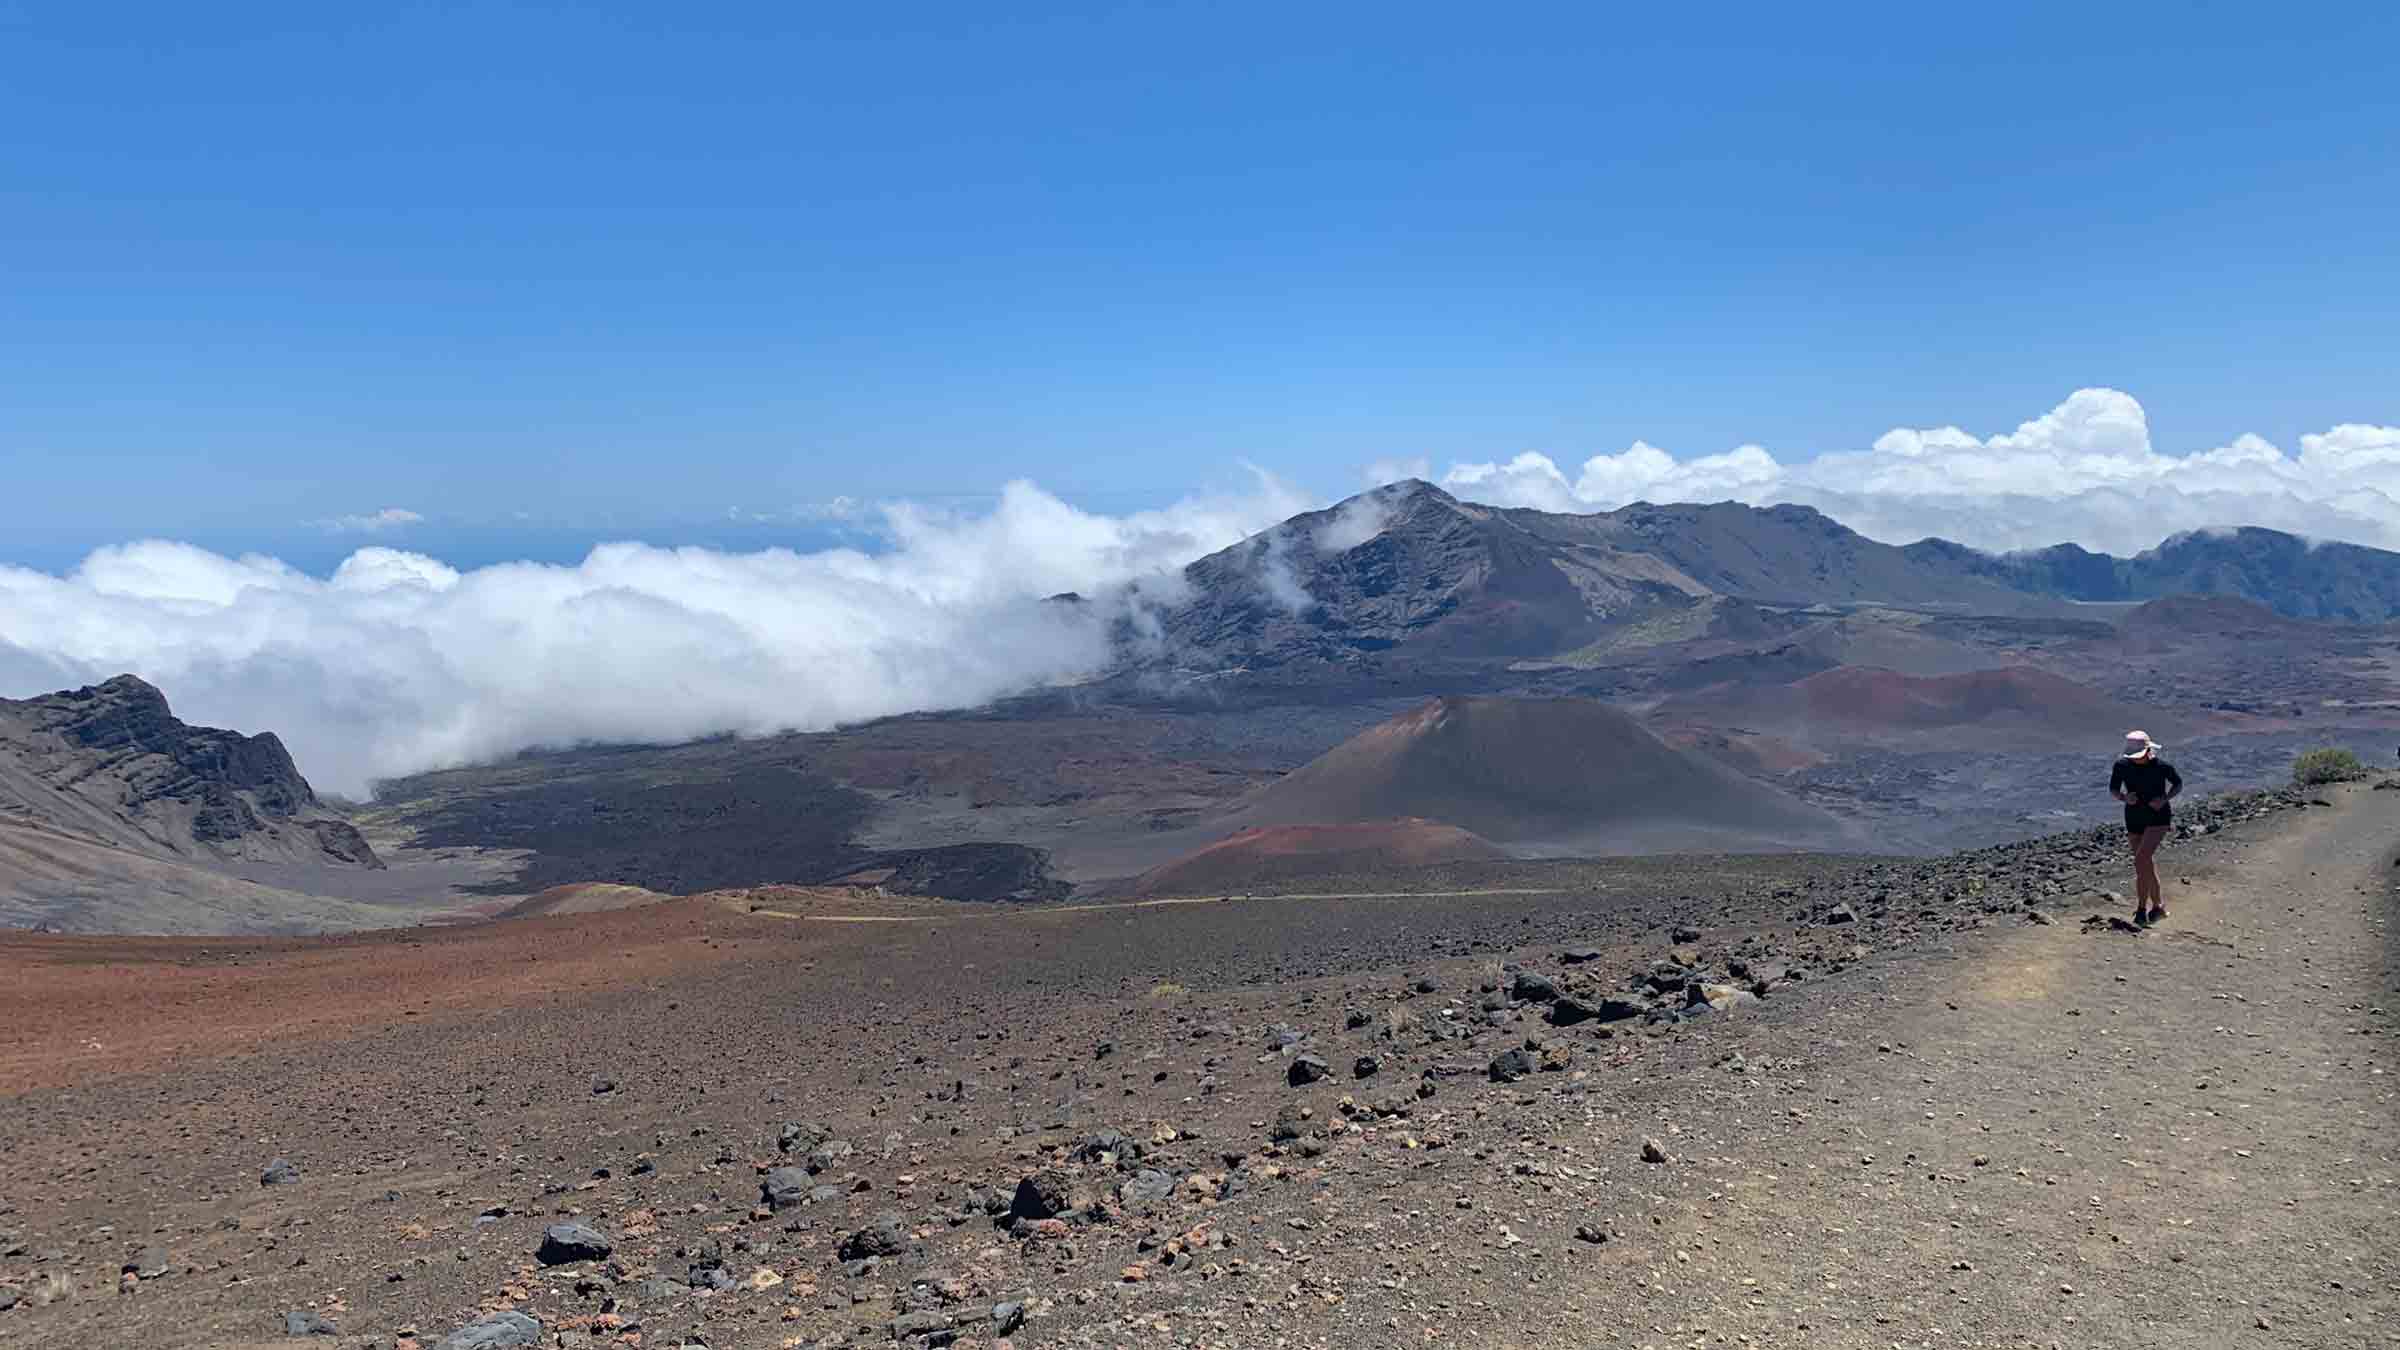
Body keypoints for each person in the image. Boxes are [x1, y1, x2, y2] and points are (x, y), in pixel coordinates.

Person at [2109, 730, 2182, 925]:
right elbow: (2113, 789)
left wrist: (2165, 799)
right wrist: (2124, 798)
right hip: (2134, 817)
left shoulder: (2162, 767)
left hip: (2158, 817)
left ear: (2148, 749)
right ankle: (2158, 907)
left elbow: (2178, 784)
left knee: (2141, 858)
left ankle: (2141, 909)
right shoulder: (2122, 766)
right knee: (2145, 863)